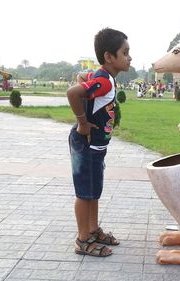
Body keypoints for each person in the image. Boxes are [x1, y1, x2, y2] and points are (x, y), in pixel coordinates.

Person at [66, 28, 131, 257]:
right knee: (85, 193)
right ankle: (83, 240)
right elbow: (73, 93)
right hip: (85, 143)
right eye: (125, 52)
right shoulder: (104, 81)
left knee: (93, 191)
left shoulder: (104, 78)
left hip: (96, 147)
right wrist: (82, 123)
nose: (129, 57)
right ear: (109, 57)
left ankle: (92, 230)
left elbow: (81, 79)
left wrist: (84, 77)